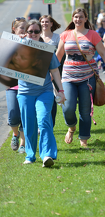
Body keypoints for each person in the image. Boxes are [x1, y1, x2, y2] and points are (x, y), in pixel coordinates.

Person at [56, 8, 105, 148]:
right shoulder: (65, 35)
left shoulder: (93, 35)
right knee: (68, 108)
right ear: (72, 18)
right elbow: (58, 57)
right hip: (68, 78)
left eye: (81, 17)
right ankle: (71, 127)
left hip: (88, 78)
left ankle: (83, 139)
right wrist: (49, 73)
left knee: (85, 110)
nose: (78, 19)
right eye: (76, 17)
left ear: (85, 19)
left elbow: (104, 54)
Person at [17, 20, 66, 167]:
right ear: (26, 32)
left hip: (44, 91)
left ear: (40, 33)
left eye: (36, 31)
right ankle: (30, 155)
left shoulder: (46, 50)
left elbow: (55, 71)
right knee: (29, 125)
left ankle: (47, 155)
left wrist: (61, 90)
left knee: (44, 120)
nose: (33, 34)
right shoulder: (18, 48)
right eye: (30, 31)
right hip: (25, 93)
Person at [7, 18, 27, 153]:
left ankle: (22, 144)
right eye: (22, 29)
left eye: (26, 29)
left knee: (25, 115)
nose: (24, 32)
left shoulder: (31, 41)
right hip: (12, 84)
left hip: (27, 85)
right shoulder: (7, 42)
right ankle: (15, 134)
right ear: (14, 29)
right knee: (13, 114)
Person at [40, 15, 61, 127]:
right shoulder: (36, 37)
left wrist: (52, 73)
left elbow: (60, 55)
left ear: (51, 24)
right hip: (39, 73)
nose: (44, 24)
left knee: (53, 99)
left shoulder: (57, 38)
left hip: (53, 71)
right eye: (42, 22)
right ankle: (41, 124)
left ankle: (50, 124)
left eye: (47, 22)